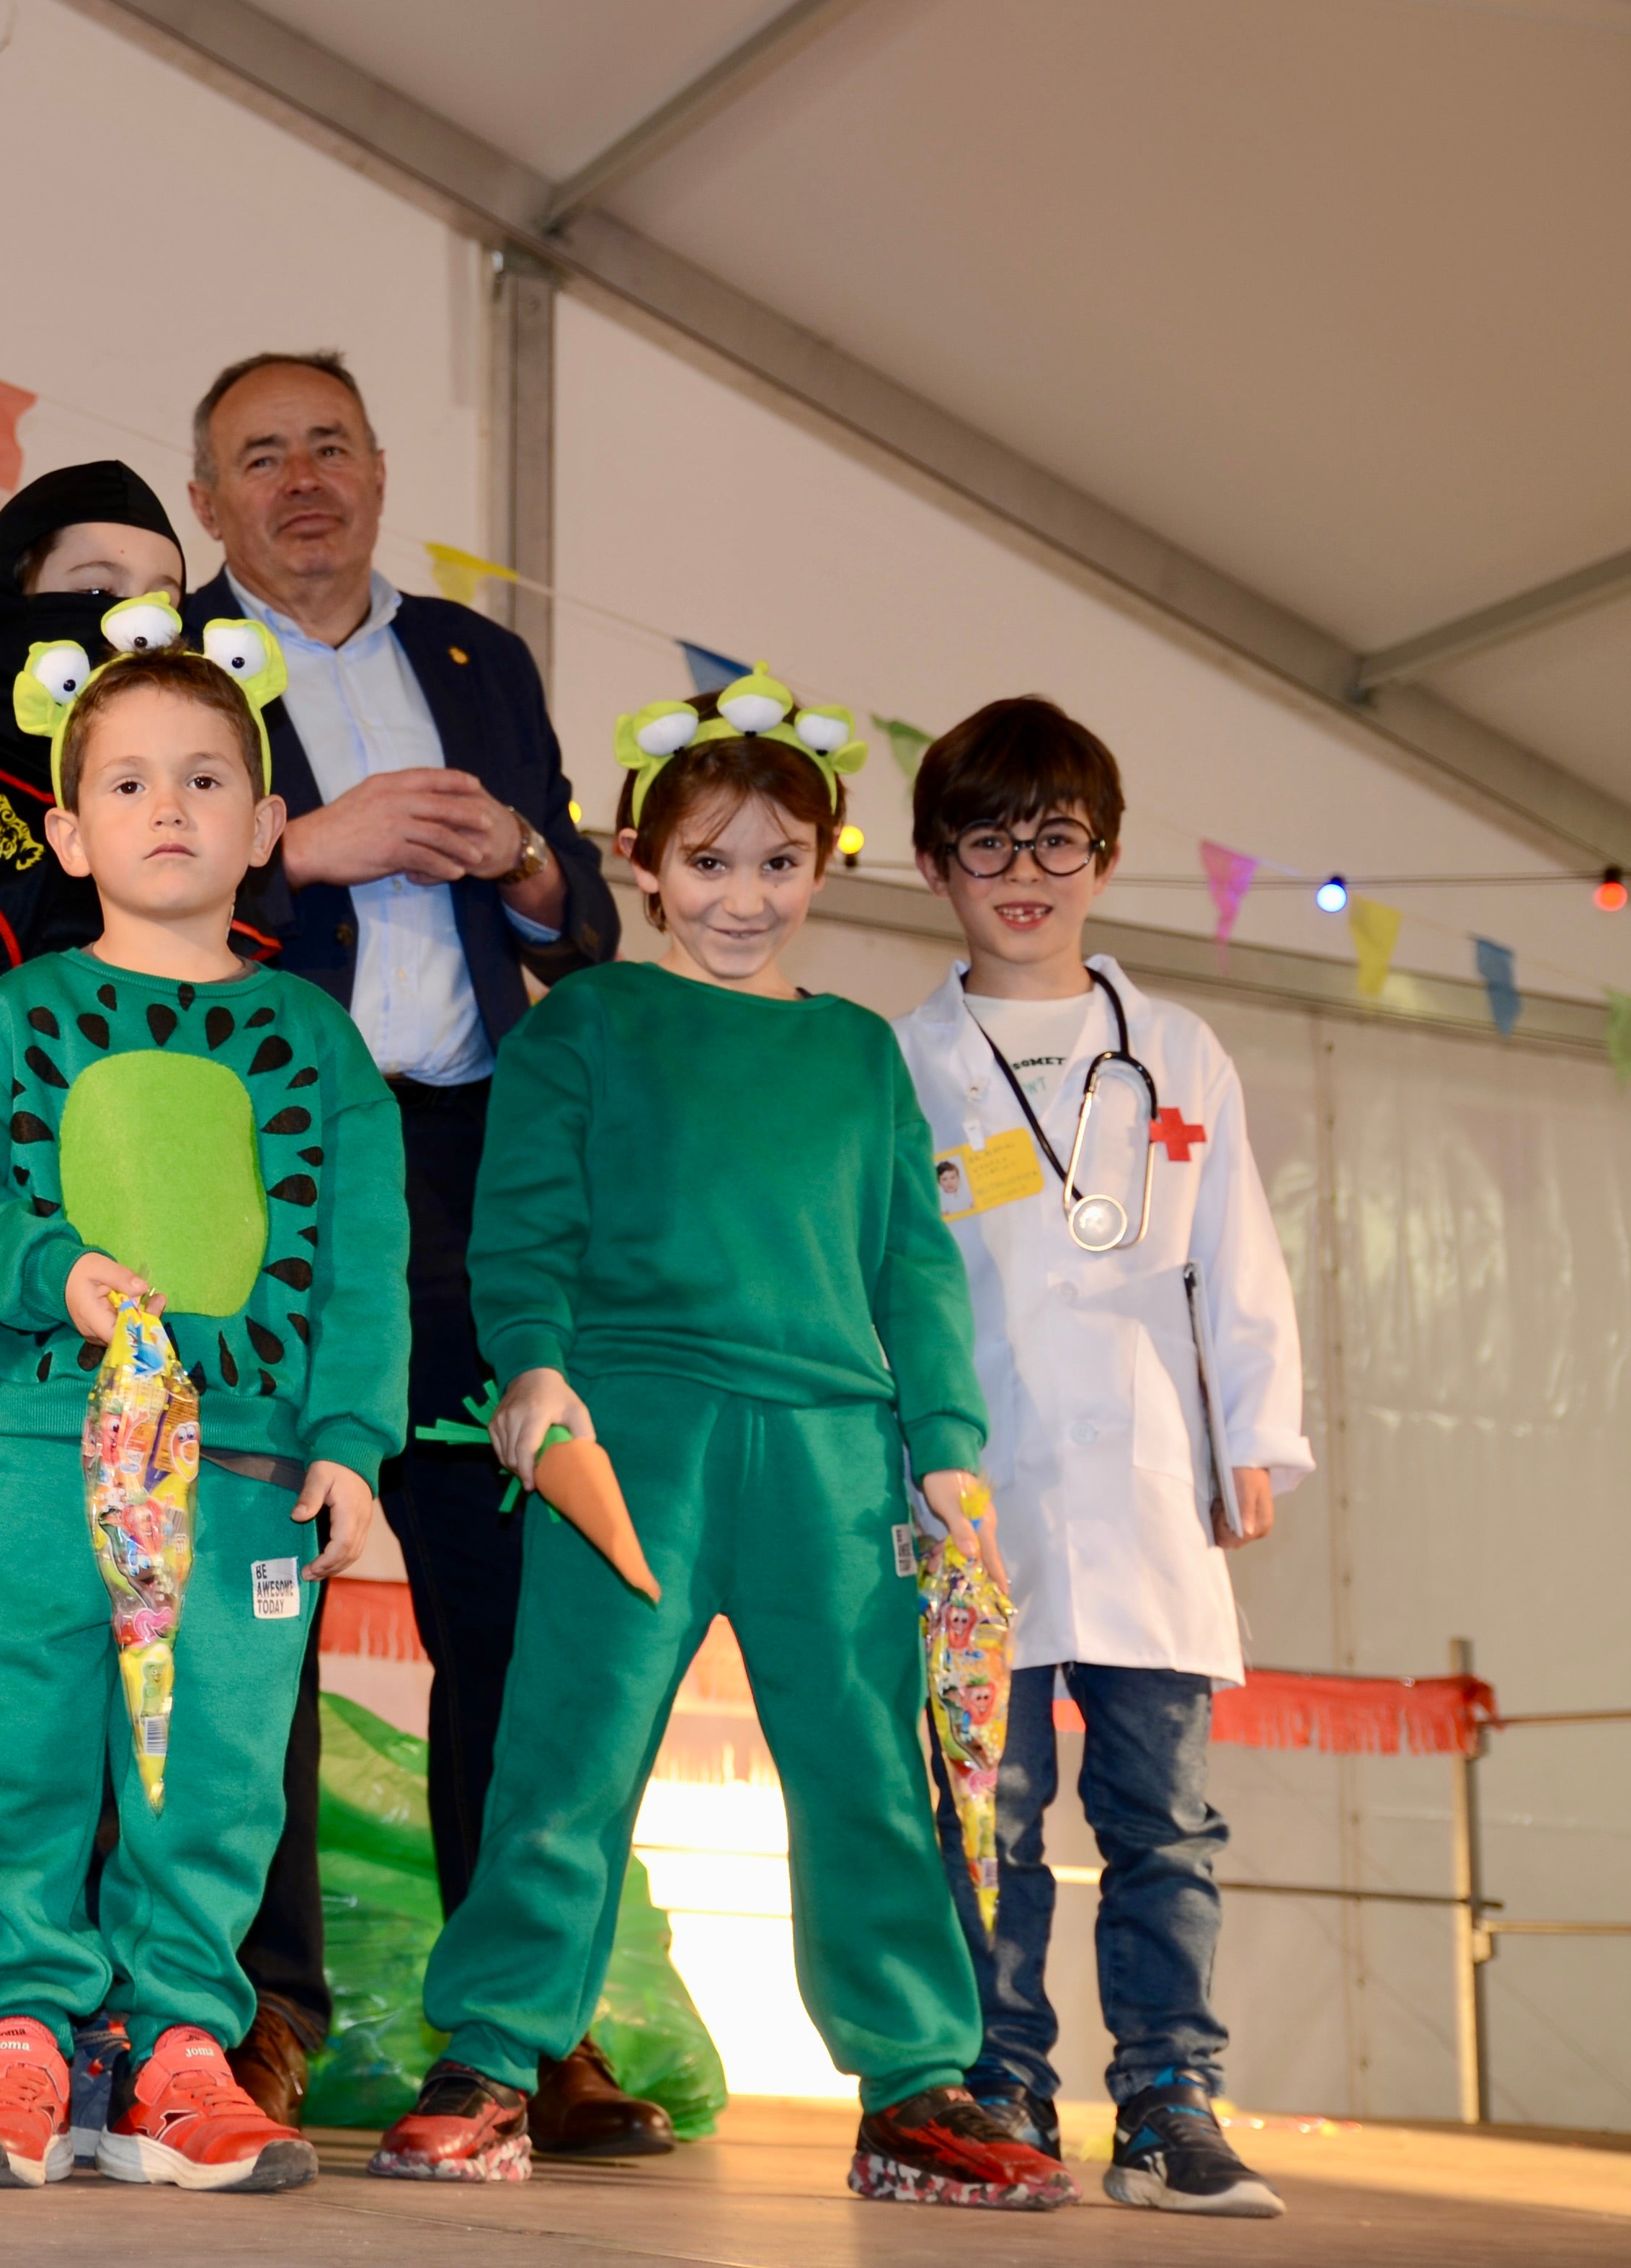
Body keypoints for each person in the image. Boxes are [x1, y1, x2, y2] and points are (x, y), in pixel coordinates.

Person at [370, 677, 1075, 2212]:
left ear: (823, 868)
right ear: (643, 862)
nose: (741, 897)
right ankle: (492, 2057)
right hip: (629, 1436)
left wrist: (944, 1448)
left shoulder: (860, 1058)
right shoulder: (589, 1023)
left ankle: (912, 2083)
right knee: (565, 1755)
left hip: (832, 1455)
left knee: (866, 1772)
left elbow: (914, 1266)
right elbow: (523, 1227)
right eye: (707, 863)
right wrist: (534, 1370)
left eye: (775, 863)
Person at [182, 349, 639, 2145]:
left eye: (328, 447)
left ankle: (519, 2024)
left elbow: (587, 919)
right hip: (262, 1167)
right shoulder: (171, 659)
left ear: (380, 471)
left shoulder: (480, 663)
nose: (300, 480)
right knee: (253, 1602)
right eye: (257, 458)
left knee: (507, 1609)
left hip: (468, 1168)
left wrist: (524, 855)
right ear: (206, 501)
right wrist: (305, 842)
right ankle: (251, 2013)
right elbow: (107, 892)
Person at [0, 460, 301, 2158]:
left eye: (153, 588)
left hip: (217, 1394)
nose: (116, 616)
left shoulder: (245, 900)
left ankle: (163, 2033)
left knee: (196, 1717)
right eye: (78, 581)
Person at [0, 640, 400, 2193]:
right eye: (125, 783)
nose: (167, 808)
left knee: (220, 1769)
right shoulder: (14, 1018)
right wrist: (51, 1274)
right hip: (32, 1453)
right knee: (20, 1748)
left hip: (246, 1471)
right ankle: (17, 2045)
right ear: (69, 835)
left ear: (265, 824)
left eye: (206, 779)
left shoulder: (320, 1045)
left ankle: (183, 2050)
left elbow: (368, 1271)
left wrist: (352, 1445)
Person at [894, 695, 1305, 2218]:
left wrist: (1252, 1432)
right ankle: (996, 2080)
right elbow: (893, 1278)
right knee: (980, 1812)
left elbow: (1233, 1258)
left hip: (1147, 1484)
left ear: (1106, 857)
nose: (1025, 868)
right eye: (988, 838)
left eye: (1055, 837)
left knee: (1160, 1817)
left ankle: (1167, 2099)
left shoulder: (1177, 1046)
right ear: (937, 865)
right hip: (966, 1490)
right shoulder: (906, 1061)